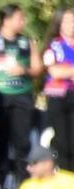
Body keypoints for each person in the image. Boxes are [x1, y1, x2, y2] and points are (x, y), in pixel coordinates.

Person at [0, 4, 42, 189]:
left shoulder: (27, 42)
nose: (23, 22)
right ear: (7, 20)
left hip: (22, 97)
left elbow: (38, 68)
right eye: (19, 18)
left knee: (22, 144)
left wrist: (24, 70)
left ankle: (24, 186)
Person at [45, 9, 74, 172]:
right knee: (62, 142)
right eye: (67, 21)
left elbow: (62, 70)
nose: (71, 25)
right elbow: (54, 71)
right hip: (58, 97)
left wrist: (67, 71)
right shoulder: (54, 45)